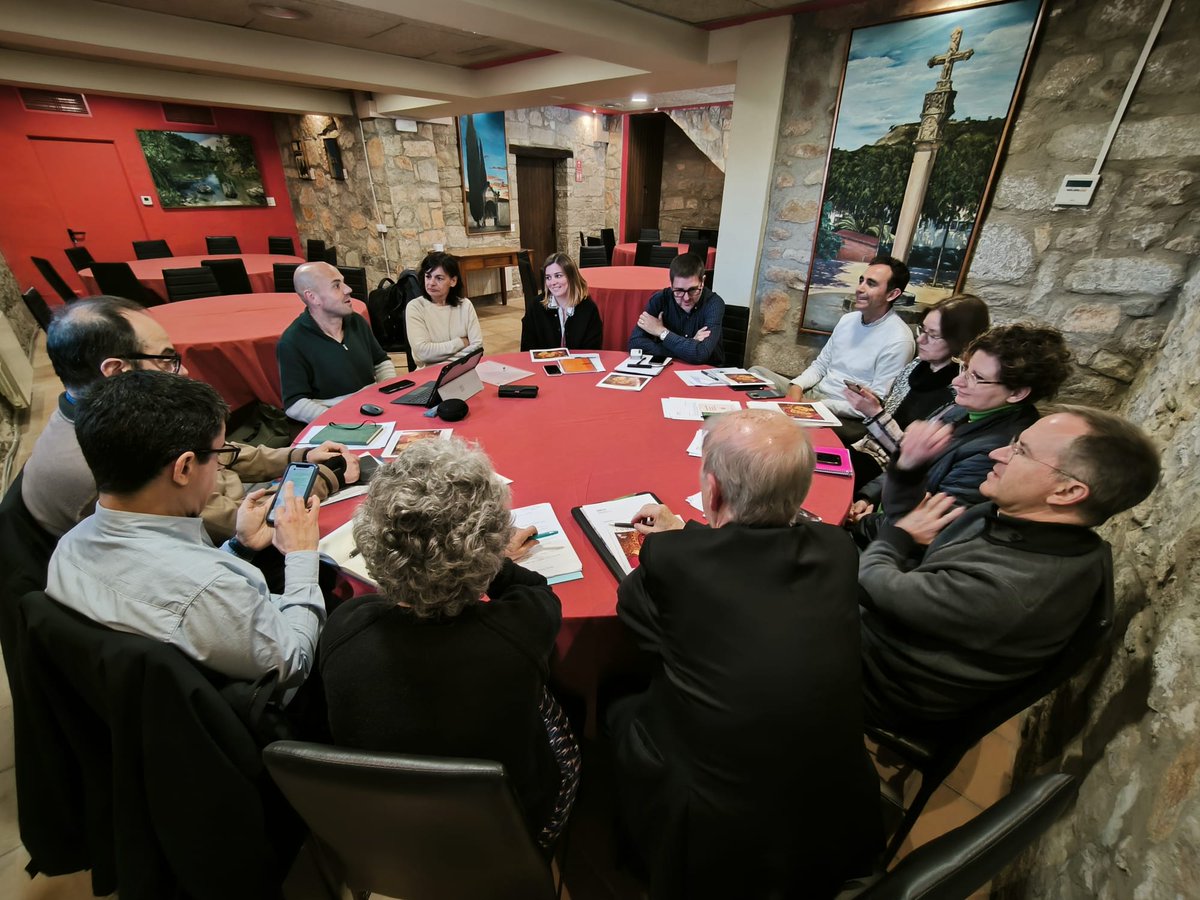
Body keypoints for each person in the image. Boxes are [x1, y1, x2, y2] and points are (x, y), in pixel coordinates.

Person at [609, 409, 880, 898]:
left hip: (714, 815)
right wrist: (691, 532)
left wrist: (677, 542)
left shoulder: (670, 561)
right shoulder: (838, 548)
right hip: (831, 797)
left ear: (711, 491)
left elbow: (641, 627)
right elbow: (744, 566)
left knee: (621, 698)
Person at [319, 438, 579, 850]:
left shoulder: (343, 626)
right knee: (560, 708)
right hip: (513, 830)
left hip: (388, 835)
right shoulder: (519, 628)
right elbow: (539, 594)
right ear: (488, 548)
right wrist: (494, 560)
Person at [859, 406, 1161, 730]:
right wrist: (907, 470)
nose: (997, 452)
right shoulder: (1013, 517)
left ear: (1068, 491)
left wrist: (898, 536)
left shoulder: (1014, 587)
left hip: (877, 683)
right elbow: (915, 518)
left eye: (1021, 451)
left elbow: (872, 580)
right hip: (891, 623)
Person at [46, 370, 326, 689]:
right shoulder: (208, 589)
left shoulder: (67, 547)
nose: (221, 466)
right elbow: (295, 662)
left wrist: (240, 547)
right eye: (220, 454)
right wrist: (302, 554)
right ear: (184, 468)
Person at [22, 296, 356, 543]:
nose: (184, 371)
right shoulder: (113, 456)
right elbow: (234, 525)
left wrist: (300, 456)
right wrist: (324, 478)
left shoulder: (126, 414)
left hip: (238, 508)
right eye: (167, 360)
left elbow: (221, 452)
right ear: (116, 371)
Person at [848, 322, 1072, 543]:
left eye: (976, 377)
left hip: (891, 547)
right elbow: (907, 461)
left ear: (1017, 393)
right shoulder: (963, 407)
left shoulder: (997, 452)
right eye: (964, 368)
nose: (956, 381)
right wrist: (868, 496)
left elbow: (931, 524)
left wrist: (863, 525)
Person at [845, 293, 990, 488]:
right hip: (866, 447)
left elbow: (916, 455)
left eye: (933, 335)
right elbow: (893, 412)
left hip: (890, 470)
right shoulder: (917, 365)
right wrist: (874, 402)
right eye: (922, 329)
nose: (921, 340)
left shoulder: (960, 392)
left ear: (961, 342)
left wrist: (875, 413)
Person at [760, 256, 916, 422]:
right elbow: (820, 366)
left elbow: (876, 405)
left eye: (871, 284)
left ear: (892, 294)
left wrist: (815, 405)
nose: (860, 289)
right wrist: (796, 385)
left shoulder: (899, 340)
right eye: (861, 280)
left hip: (840, 410)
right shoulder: (848, 320)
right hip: (814, 393)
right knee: (756, 373)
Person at [277, 261, 396, 422]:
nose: (348, 289)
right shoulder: (292, 342)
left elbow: (381, 362)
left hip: (374, 410)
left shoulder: (356, 321)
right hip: (334, 424)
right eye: (336, 286)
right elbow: (294, 403)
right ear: (312, 297)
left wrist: (387, 395)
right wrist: (340, 420)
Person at [627, 252, 725, 364]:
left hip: (705, 372)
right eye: (679, 291)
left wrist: (662, 332)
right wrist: (690, 344)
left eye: (693, 290)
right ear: (671, 284)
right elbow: (635, 345)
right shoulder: (659, 299)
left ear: (702, 281)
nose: (686, 298)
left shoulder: (714, 304)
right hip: (668, 369)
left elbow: (700, 354)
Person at [404, 251, 483, 367]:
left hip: (462, 370)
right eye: (428, 276)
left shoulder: (465, 305)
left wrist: (446, 363)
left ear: (453, 281)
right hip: (429, 373)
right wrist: (461, 342)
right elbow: (423, 353)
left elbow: (477, 347)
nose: (431, 283)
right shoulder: (415, 307)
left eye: (439, 278)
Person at [520, 252, 603, 351]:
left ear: (571, 277)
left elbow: (592, 350)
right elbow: (526, 349)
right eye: (548, 277)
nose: (552, 282)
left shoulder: (588, 309)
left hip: (578, 365)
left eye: (558, 276)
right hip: (542, 365)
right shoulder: (535, 307)